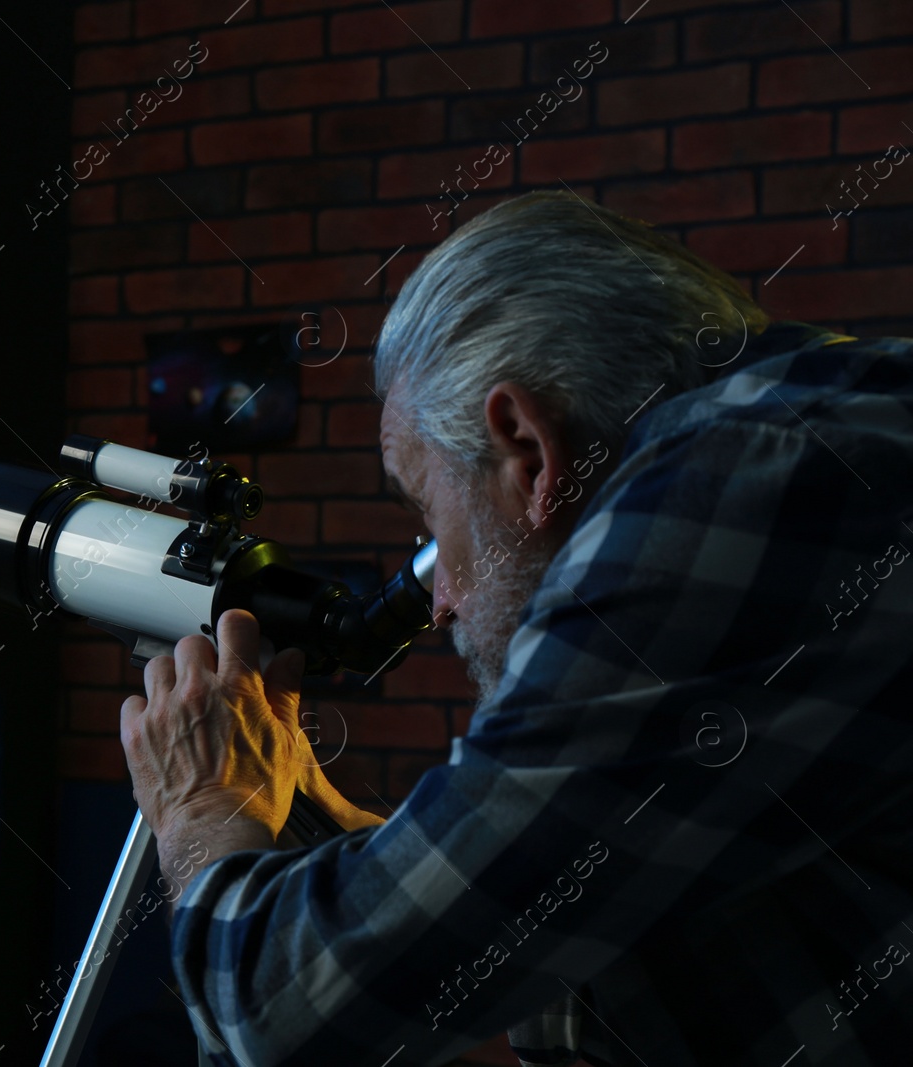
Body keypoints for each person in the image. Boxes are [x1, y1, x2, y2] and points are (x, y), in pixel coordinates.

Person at [118, 189, 913, 1066]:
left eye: (431, 523)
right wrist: (378, 864)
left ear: (528, 451)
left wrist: (200, 808)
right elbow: (613, 899)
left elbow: (284, 1014)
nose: (443, 599)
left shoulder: (739, 484)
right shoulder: (832, 426)